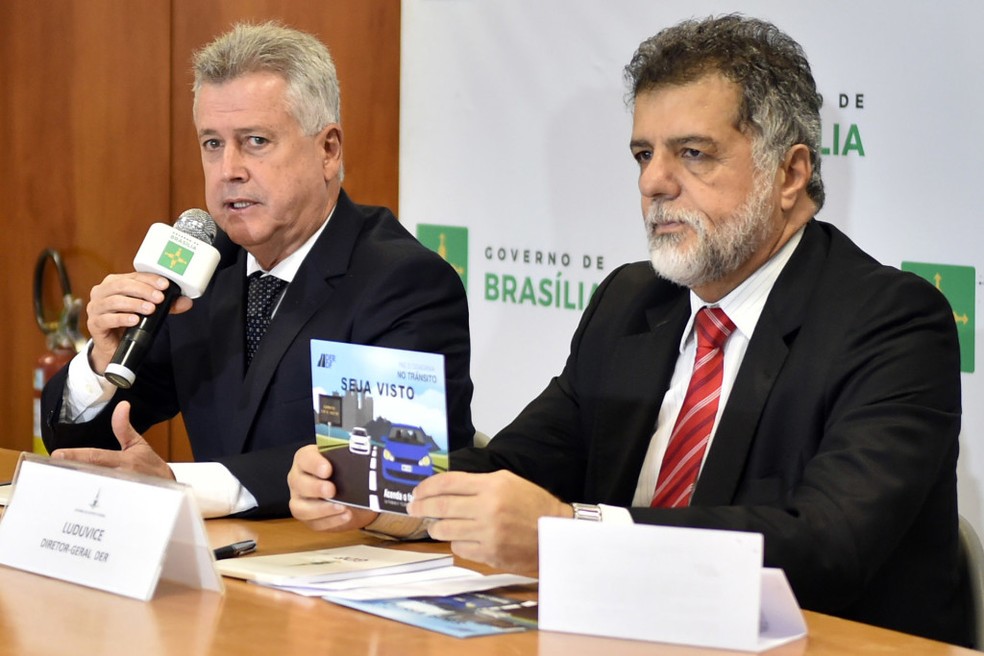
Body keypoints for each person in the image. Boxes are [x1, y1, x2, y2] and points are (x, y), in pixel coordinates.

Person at [287, 14, 968, 645]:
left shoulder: (892, 322)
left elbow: (825, 545)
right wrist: (386, 497)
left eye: (693, 153)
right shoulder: (634, 301)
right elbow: (518, 467)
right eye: (644, 154)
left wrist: (566, 532)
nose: (654, 182)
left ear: (789, 173)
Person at [41, 21, 474, 518]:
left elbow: (383, 466)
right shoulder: (204, 267)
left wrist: (182, 485)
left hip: (345, 556)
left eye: (256, 141)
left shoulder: (402, 282)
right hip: (229, 556)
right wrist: (101, 362)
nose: (229, 170)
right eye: (212, 143)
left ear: (328, 150)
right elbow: (79, 449)